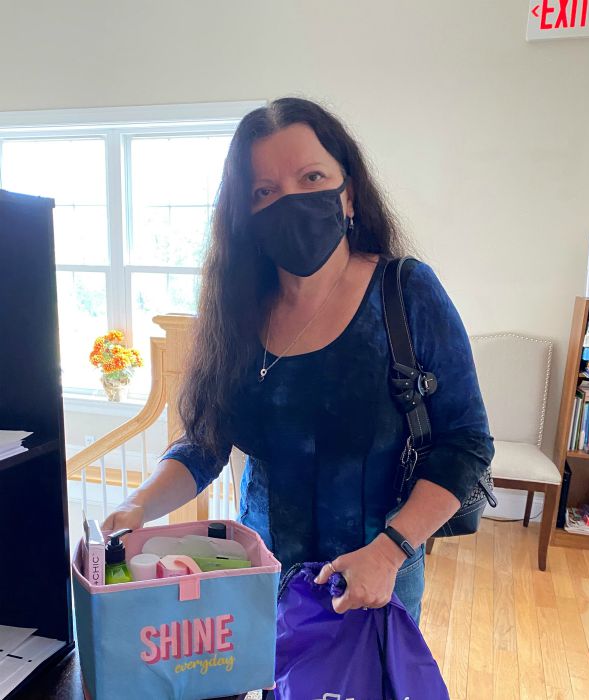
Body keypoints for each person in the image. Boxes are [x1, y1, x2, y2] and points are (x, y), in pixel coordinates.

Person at [103, 96, 494, 632]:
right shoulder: (237, 313)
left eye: (311, 177)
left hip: (374, 581)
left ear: (348, 193)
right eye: (265, 192)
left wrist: (389, 550)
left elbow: (466, 443)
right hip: (262, 578)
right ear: (246, 215)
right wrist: (138, 506)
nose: (289, 202)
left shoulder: (406, 293)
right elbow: (205, 441)